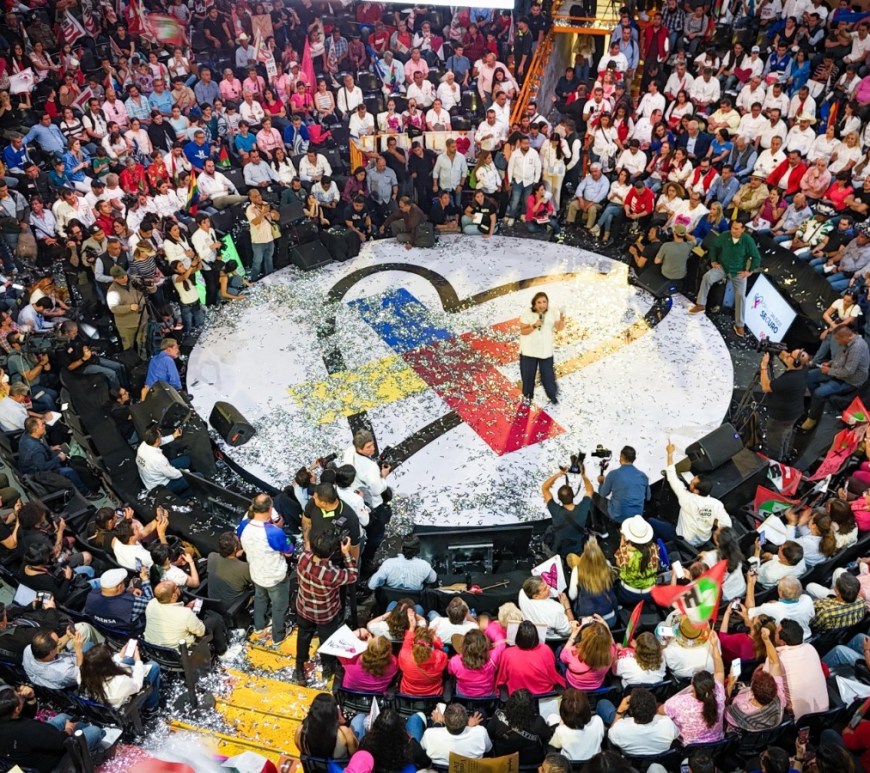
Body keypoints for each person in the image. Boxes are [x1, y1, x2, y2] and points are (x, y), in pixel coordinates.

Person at [294, 530, 358, 684]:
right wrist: (346, 553)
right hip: (325, 615)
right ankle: (327, 668)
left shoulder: (303, 557)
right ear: (331, 553)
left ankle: (299, 668)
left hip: (303, 608)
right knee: (327, 641)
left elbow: (308, 547)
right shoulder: (331, 574)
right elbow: (353, 575)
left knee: (303, 637)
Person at [0, 684, 106, 771]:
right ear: (17, 709)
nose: (20, 694)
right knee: (95, 731)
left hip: (35, 745)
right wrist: (69, 729)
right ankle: (98, 739)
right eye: (18, 696)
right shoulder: (28, 729)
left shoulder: (7, 717)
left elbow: (28, 715)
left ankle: (86, 727)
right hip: (56, 760)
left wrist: (31, 698)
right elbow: (60, 742)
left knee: (62, 718)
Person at [237, 493, 293, 646]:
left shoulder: (243, 526)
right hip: (275, 576)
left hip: (256, 572)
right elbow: (289, 552)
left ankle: (259, 626)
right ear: (270, 509)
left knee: (260, 598)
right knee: (279, 607)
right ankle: (278, 636)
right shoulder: (273, 532)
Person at [690, 219, 762, 337]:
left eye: (737, 229)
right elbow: (714, 246)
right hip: (723, 267)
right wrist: (713, 260)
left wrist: (749, 272)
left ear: (743, 229)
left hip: (738, 272)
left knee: (740, 296)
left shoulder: (748, 241)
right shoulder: (725, 235)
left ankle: (739, 324)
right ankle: (701, 304)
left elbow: (756, 257)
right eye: (732, 228)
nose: (733, 230)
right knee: (707, 277)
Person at [652, 440, 731, 546]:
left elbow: (671, 476)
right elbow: (727, 524)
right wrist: (715, 526)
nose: (690, 482)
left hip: (684, 540)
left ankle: (658, 544)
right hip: (703, 540)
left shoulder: (686, 499)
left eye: (692, 483)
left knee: (650, 521)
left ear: (696, 491)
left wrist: (670, 453)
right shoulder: (716, 504)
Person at [341, 429, 392, 573]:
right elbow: (377, 490)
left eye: (373, 444)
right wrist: (383, 476)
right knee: (376, 534)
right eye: (368, 447)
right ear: (359, 448)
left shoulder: (349, 452)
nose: (373, 448)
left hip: (355, 494)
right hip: (372, 504)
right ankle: (366, 562)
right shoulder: (370, 468)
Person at [662, 631, 726, 744]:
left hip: (689, 749)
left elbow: (659, 712)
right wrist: (715, 646)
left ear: (693, 687)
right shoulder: (719, 695)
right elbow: (720, 671)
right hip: (717, 746)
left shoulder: (678, 703)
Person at [801, 326, 870, 430]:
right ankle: (817, 402)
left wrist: (829, 371)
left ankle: (813, 418)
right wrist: (830, 363)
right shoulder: (846, 343)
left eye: (837, 339)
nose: (837, 342)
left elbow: (848, 372)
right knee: (809, 376)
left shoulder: (857, 348)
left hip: (850, 380)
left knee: (819, 393)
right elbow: (840, 358)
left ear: (844, 337)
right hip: (837, 371)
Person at [18, 417, 99, 499]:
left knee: (66, 459)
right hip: (38, 475)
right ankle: (86, 493)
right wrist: (59, 458)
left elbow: (38, 453)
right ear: (35, 430)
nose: (44, 425)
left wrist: (50, 448)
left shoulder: (26, 435)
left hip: (36, 465)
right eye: (42, 425)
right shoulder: (36, 449)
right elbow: (43, 467)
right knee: (68, 471)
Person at [724, 627, 786, 733]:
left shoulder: (738, 708)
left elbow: (722, 710)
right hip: (767, 738)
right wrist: (766, 640)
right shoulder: (780, 700)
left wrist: (730, 684)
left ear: (752, 690)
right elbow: (775, 662)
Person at [144, 579, 227, 655]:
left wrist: (186, 608)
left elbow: (169, 615)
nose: (179, 587)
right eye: (176, 587)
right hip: (179, 653)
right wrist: (192, 617)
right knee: (215, 620)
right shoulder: (186, 614)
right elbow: (201, 632)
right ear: (174, 596)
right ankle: (221, 651)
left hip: (155, 650)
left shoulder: (151, 604)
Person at [78, 642, 161, 713]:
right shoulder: (121, 681)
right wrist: (138, 660)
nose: (112, 657)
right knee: (154, 667)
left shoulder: (84, 674)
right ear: (107, 665)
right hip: (125, 701)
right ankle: (151, 708)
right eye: (110, 658)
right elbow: (137, 685)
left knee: (128, 658)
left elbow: (102, 665)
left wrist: (120, 656)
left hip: (106, 696)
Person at [760, 348, 811, 461]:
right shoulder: (802, 370)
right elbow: (784, 356)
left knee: (775, 439)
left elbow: (765, 387)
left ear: (796, 363)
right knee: (786, 433)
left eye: (790, 355)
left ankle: (775, 460)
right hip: (794, 412)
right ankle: (784, 453)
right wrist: (774, 348)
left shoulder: (790, 379)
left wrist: (763, 367)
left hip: (781, 416)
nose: (787, 355)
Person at [773, 618, 829, 720]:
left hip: (795, 718)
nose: (774, 633)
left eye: (775, 632)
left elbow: (768, 686)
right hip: (824, 713)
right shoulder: (811, 648)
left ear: (782, 642)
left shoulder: (779, 658)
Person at [519, 291, 565, 405]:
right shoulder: (527, 313)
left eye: (544, 302)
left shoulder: (552, 312)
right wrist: (534, 325)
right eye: (539, 302)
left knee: (548, 376)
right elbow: (523, 331)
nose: (542, 305)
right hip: (529, 351)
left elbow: (559, 328)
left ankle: (552, 395)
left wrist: (562, 320)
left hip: (545, 351)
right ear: (534, 303)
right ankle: (527, 396)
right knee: (528, 376)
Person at [487, 688, 553, 764]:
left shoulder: (498, 718)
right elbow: (547, 735)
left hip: (505, 762)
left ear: (510, 703)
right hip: (532, 763)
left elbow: (490, 734)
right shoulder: (538, 722)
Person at [607, 687, 679, 757]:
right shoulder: (667, 723)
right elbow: (676, 735)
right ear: (655, 709)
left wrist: (619, 712)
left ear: (631, 712)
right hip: (659, 760)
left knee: (604, 703)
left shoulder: (619, 729)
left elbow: (610, 735)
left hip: (630, 759)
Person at [415, 703, 491, 765]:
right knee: (481, 712)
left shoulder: (429, 734)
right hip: (471, 768)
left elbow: (422, 747)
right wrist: (470, 727)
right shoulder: (480, 732)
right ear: (467, 720)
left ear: (444, 720)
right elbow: (488, 749)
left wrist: (437, 723)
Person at [541, 465, 593, 556]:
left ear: (559, 499)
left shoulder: (555, 510)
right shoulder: (583, 508)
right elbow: (589, 490)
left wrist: (559, 474)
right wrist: (583, 475)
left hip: (557, 550)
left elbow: (544, 488)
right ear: (573, 496)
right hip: (577, 550)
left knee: (549, 529)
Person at [596, 446, 650, 531]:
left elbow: (602, 493)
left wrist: (601, 482)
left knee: (592, 496)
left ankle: (600, 528)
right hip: (637, 518)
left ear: (621, 457)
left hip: (617, 516)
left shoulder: (613, 474)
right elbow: (648, 497)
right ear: (634, 459)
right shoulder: (643, 476)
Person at [566, 540, 619, 627]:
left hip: (588, 622)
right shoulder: (607, 565)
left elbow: (572, 596)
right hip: (609, 620)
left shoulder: (577, 570)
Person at [398, 606, 448, 696]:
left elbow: (406, 644)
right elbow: (442, 650)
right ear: (431, 644)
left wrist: (412, 627)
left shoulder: (405, 656)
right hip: (433, 695)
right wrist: (436, 639)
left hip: (407, 694)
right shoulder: (440, 657)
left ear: (414, 643)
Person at [546, 688, 605, 762]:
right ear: (587, 708)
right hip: (594, 764)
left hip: (570, 765)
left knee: (552, 717)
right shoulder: (598, 721)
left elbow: (555, 745)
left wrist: (561, 725)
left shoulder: (561, 730)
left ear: (563, 713)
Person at [295, 693, 358, 759]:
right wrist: (346, 724)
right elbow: (355, 754)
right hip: (339, 765)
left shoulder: (300, 732)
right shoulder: (344, 733)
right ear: (334, 712)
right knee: (359, 718)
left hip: (315, 765)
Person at [560, 616, 617, 690]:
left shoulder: (573, 653)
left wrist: (573, 634)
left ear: (585, 640)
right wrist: (606, 628)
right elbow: (613, 645)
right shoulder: (611, 652)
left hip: (573, 685)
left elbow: (562, 656)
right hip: (596, 686)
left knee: (559, 649)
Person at [614, 516, 660, 604]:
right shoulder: (654, 547)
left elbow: (618, 564)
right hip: (649, 592)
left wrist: (622, 541)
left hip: (629, 593)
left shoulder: (625, 552)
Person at [449, 627, 504, 698]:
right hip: (487, 696)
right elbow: (501, 642)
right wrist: (488, 627)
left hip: (462, 696)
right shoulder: (492, 658)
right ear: (485, 646)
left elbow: (450, 672)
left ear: (464, 646)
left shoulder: (455, 661)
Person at [368, 533, 436, 591]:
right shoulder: (425, 565)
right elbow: (432, 580)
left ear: (401, 548)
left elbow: (372, 585)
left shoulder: (388, 564)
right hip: (415, 600)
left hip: (391, 599)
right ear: (418, 550)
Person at [206, 532, 252, 615]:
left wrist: (236, 554)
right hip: (232, 607)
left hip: (213, 602)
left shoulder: (211, 556)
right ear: (235, 548)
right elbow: (257, 583)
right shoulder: (244, 568)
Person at [135, 425, 190, 495]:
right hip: (161, 486)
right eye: (160, 436)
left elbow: (160, 442)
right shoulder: (158, 459)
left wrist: (173, 436)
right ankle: (185, 495)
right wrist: (187, 472)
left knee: (186, 460)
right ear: (157, 440)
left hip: (153, 476)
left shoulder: (144, 445)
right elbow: (172, 475)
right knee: (196, 477)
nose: (161, 436)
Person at [246, 188, 278, 281]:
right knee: (257, 261)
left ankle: (269, 276)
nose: (258, 197)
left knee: (269, 259)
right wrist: (263, 212)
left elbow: (277, 217)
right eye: (255, 196)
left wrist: (273, 213)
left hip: (269, 238)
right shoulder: (250, 209)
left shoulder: (266, 204)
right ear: (251, 198)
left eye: (259, 195)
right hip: (258, 241)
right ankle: (254, 280)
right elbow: (255, 222)